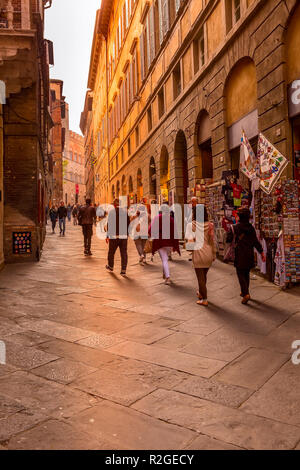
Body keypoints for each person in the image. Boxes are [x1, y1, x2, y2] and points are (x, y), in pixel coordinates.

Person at [227, 207, 265, 304]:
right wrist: (261, 252)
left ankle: (246, 293)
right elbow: (255, 241)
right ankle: (245, 291)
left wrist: (230, 233)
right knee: (246, 273)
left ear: (239, 216)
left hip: (239, 254)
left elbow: (228, 239)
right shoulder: (251, 228)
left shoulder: (235, 227)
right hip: (249, 254)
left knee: (240, 274)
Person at [188, 206, 216, 307]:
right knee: (204, 277)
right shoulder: (210, 225)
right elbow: (212, 242)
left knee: (200, 279)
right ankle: (200, 293)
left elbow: (190, 244)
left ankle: (204, 299)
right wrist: (213, 253)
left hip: (198, 253)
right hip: (208, 253)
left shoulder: (191, 225)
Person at [149, 203, 180, 285]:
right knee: (165, 258)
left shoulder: (157, 218)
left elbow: (150, 229)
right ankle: (165, 273)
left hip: (160, 241)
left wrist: (151, 234)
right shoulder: (171, 219)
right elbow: (175, 232)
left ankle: (168, 277)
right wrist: (175, 244)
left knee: (164, 259)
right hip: (169, 242)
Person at [105, 199, 130, 276]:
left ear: (114, 205)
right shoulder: (125, 212)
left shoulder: (112, 212)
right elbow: (128, 223)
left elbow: (109, 224)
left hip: (114, 236)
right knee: (124, 253)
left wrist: (107, 236)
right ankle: (123, 270)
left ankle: (110, 266)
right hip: (123, 236)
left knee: (111, 252)